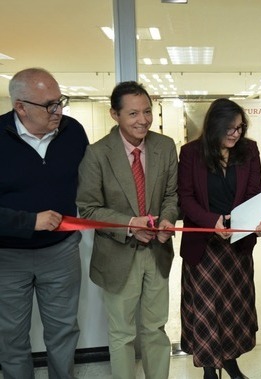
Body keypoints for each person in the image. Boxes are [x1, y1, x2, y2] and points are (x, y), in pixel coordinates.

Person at [76, 81, 178, 379]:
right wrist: (130, 225)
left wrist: (167, 220)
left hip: (157, 252)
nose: (143, 120)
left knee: (155, 329)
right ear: (115, 115)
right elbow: (89, 209)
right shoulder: (97, 154)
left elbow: (172, 196)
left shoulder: (165, 146)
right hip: (118, 255)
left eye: (147, 111)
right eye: (133, 114)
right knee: (122, 333)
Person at [0, 68, 88, 379]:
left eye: (60, 101)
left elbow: (89, 187)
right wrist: (28, 222)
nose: (58, 111)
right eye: (49, 105)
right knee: (10, 338)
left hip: (61, 252)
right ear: (20, 106)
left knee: (63, 334)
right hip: (8, 256)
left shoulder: (73, 132)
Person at [178, 98, 261, 379]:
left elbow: (255, 191)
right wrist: (211, 221)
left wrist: (259, 222)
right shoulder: (191, 153)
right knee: (206, 312)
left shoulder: (249, 150)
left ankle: (230, 361)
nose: (236, 134)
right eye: (230, 129)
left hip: (237, 245)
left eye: (240, 128)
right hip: (204, 247)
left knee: (233, 311)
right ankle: (209, 368)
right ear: (214, 126)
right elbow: (186, 197)